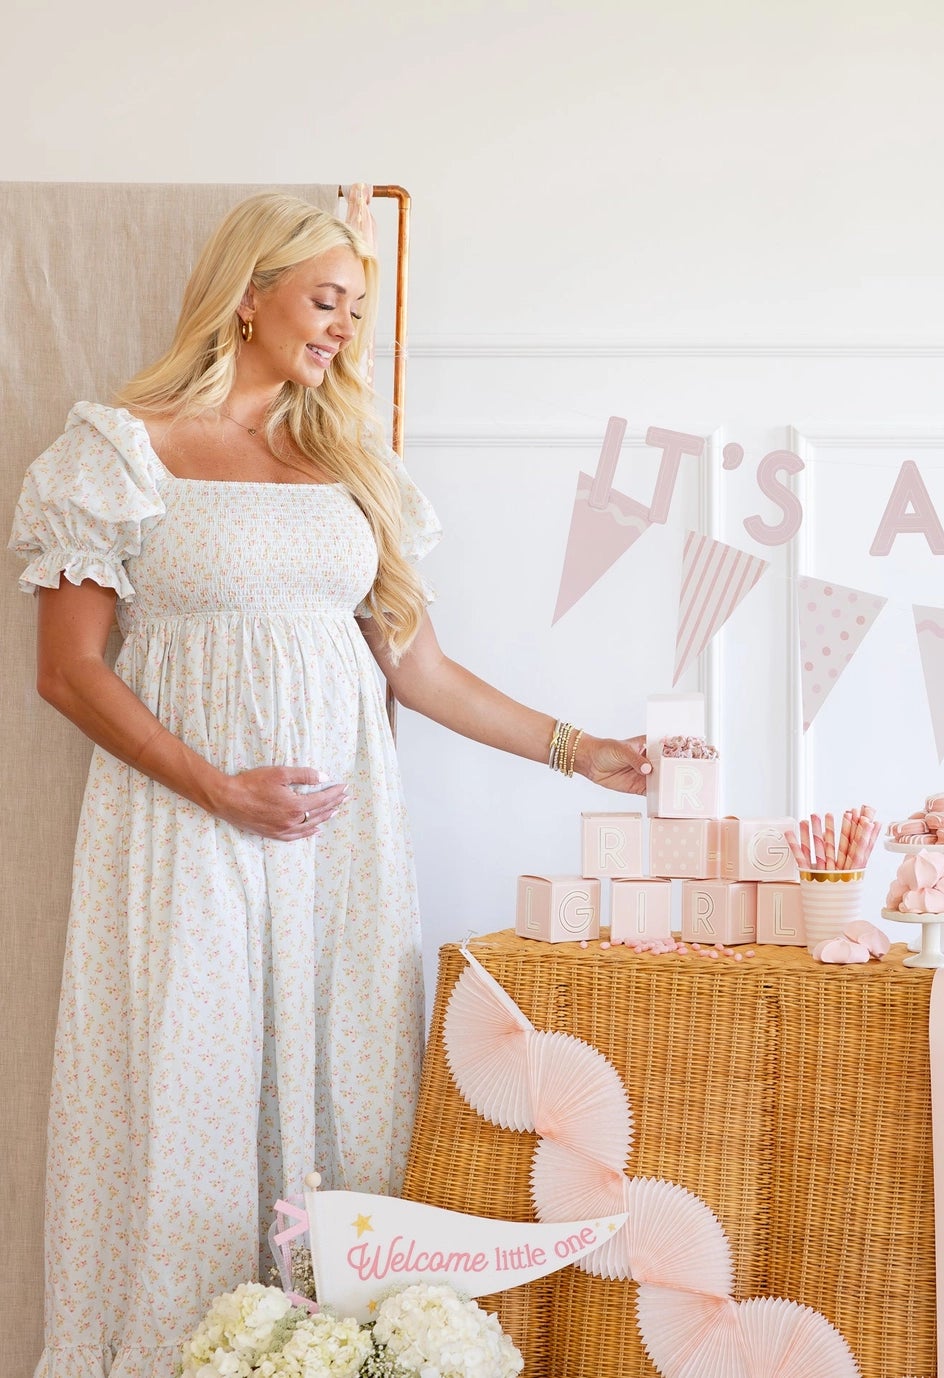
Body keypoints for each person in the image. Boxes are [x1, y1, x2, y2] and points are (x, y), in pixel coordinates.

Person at [9, 192, 651, 1378]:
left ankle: (331, 1353)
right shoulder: (118, 450)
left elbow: (424, 670)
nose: (344, 328)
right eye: (324, 299)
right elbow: (68, 672)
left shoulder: (351, 462)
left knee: (346, 1102)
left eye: (358, 307)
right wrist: (218, 789)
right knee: (187, 1107)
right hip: (181, 831)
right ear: (247, 295)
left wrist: (582, 749)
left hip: (340, 851)